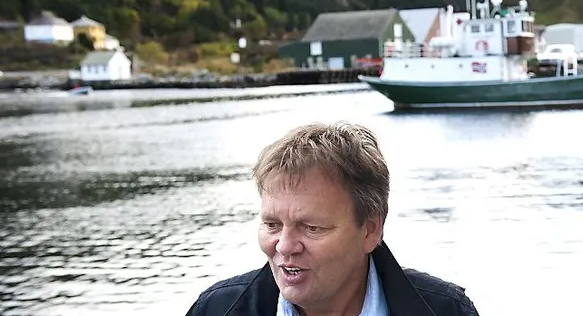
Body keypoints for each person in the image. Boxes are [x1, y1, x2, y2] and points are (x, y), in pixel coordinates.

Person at [185, 122, 480, 316]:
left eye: (311, 228)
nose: (285, 246)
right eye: (272, 225)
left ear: (370, 230)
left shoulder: (445, 311)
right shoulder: (216, 310)